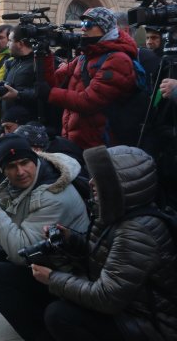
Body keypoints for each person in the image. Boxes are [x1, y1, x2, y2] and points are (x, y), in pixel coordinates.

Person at [31, 146, 177, 341]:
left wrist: (53, 279)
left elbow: (107, 298)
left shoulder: (137, 230)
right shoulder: (116, 214)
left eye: (100, 178)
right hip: (129, 309)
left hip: (150, 325)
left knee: (60, 315)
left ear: (122, 185)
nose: (91, 182)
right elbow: (103, 259)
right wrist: (70, 240)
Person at [0, 134, 89, 341]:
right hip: (43, 260)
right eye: (11, 166)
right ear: (2, 169)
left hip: (66, 273)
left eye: (24, 162)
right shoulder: (23, 183)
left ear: (35, 159)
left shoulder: (53, 193)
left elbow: (21, 253)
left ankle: (39, 333)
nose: (20, 172)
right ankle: (32, 311)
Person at [40, 7, 139, 149]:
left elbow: (89, 101)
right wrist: (44, 55)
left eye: (88, 24)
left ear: (105, 28)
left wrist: (50, 94)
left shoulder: (118, 59)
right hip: (75, 139)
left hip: (100, 144)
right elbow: (53, 82)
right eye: (82, 25)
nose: (83, 29)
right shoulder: (84, 57)